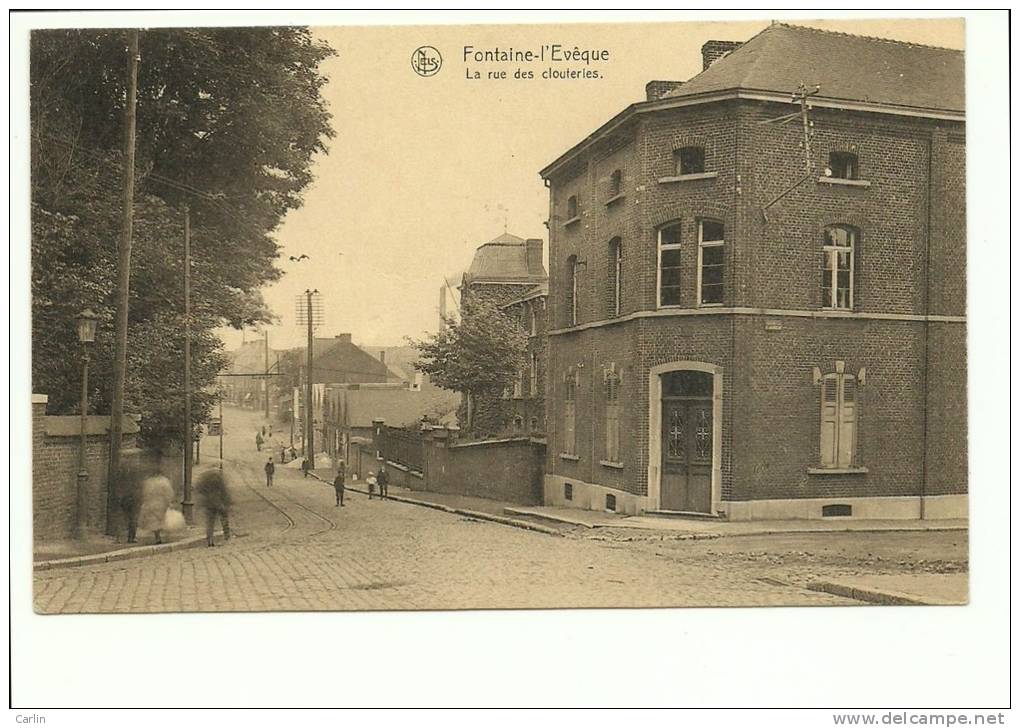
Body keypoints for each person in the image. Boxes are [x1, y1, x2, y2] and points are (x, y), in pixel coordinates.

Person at [196, 468, 231, 547]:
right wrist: (227, 501)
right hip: (218, 503)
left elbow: (199, 489)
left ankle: (210, 540)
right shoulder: (219, 479)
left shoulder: (205, 478)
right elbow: (224, 491)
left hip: (208, 503)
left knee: (210, 523)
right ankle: (226, 534)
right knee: (224, 517)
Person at [138, 474, 174, 545]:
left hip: (152, 504)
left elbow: (145, 493)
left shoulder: (149, 482)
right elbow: (169, 493)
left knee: (155, 521)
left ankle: (158, 537)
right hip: (161, 504)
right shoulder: (164, 481)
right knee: (162, 520)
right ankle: (165, 536)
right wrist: (169, 502)